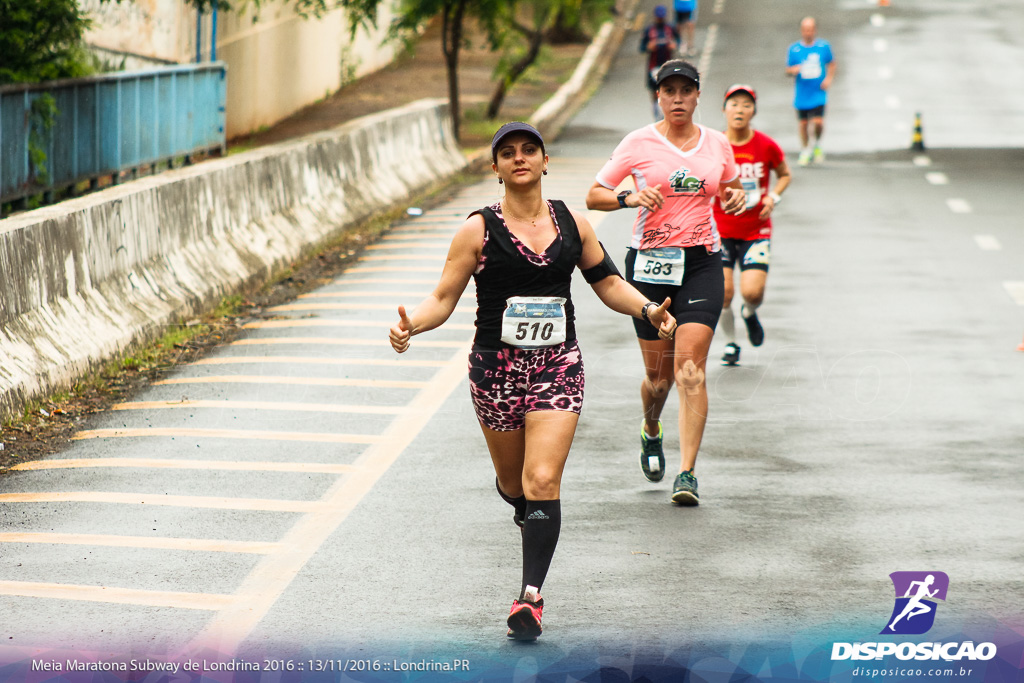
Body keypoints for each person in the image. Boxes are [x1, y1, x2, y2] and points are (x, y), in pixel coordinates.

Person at [389, 122, 677, 641]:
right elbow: (443, 298)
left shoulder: (574, 224)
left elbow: (608, 282)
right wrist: (413, 325)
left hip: (556, 365)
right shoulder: (477, 230)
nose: (519, 158)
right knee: (513, 483)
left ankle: (530, 598)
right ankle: (525, 509)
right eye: (508, 153)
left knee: (542, 479)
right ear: (495, 168)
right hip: (494, 370)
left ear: (545, 161)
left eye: (529, 150)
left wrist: (649, 308)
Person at [585, 60, 746, 506]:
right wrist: (629, 197)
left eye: (685, 90)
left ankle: (687, 473)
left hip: (701, 265)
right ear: (658, 96)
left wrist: (735, 198)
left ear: (698, 97)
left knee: (689, 371)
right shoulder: (637, 143)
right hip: (649, 267)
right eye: (668, 90)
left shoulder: (717, 144)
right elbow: (593, 194)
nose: (677, 98)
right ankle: (651, 427)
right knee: (659, 381)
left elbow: (731, 190)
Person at [714, 84, 791, 366]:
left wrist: (773, 196)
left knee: (752, 292)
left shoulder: (766, 145)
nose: (740, 110)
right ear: (724, 109)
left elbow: (784, 174)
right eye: (734, 104)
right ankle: (731, 343)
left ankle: (749, 312)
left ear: (753, 112)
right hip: (720, 231)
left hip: (756, 230)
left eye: (746, 105)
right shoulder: (714, 145)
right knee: (723, 293)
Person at [785, 16, 835, 166]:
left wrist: (828, 79)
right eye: (806, 30)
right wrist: (793, 70)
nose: (808, 32)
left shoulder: (823, 47)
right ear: (802, 31)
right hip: (802, 94)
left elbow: (832, 64)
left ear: (815, 30)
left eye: (811, 29)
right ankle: (806, 149)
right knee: (803, 124)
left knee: (818, 122)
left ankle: (817, 144)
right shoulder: (794, 49)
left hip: (818, 92)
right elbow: (788, 70)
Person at [640, 5, 680, 120]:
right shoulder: (649, 30)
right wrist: (648, 47)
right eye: (659, 17)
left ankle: (668, 115)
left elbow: (678, 39)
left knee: (669, 90)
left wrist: (674, 44)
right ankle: (656, 117)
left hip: (668, 66)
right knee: (654, 92)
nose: (660, 19)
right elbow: (642, 47)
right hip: (653, 66)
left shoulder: (670, 28)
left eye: (662, 17)